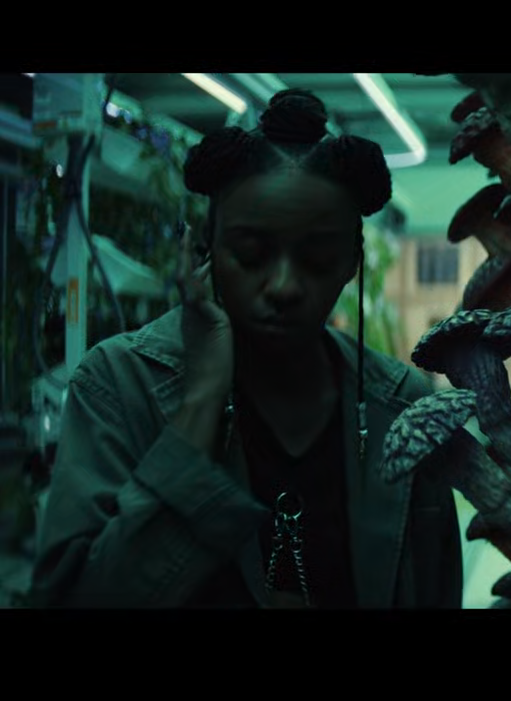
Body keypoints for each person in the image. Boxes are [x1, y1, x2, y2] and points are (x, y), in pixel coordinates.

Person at [28, 89, 462, 608]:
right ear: (202, 248)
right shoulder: (120, 385)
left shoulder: (403, 405)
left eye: (317, 257)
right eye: (252, 254)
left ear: (352, 261)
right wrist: (200, 403)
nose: (283, 286)